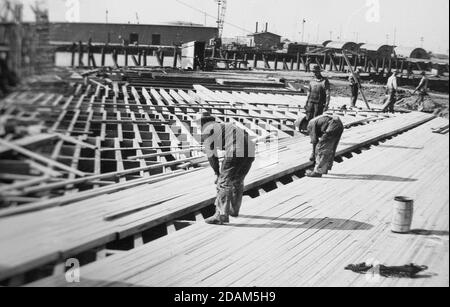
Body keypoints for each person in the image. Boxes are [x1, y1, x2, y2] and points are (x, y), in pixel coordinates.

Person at [198, 112, 256, 225]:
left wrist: (217, 173)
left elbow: (211, 155)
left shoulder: (207, 129)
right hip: (250, 150)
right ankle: (233, 210)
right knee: (237, 181)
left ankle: (221, 215)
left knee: (223, 183)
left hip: (236, 149)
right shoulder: (227, 126)